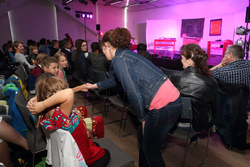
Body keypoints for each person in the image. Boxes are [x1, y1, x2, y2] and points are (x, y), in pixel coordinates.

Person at [83, 27, 182, 167]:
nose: (104, 54)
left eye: (103, 50)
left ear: (106, 46)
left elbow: (132, 92)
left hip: (163, 106)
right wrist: (94, 86)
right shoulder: (127, 54)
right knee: (143, 139)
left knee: (150, 149)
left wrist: (141, 118)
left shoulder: (118, 60)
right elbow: (116, 80)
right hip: (174, 101)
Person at [26, 75, 110, 167]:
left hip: (73, 144)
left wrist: (79, 88)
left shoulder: (44, 113)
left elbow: (61, 95)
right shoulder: (60, 113)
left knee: (95, 144)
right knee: (106, 153)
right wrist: (43, 104)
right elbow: (68, 93)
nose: (64, 91)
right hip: (79, 151)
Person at [169, 43, 217, 131]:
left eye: (182, 58)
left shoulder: (174, 77)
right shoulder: (211, 82)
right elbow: (213, 107)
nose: (181, 61)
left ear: (190, 61)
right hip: (198, 124)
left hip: (174, 121)